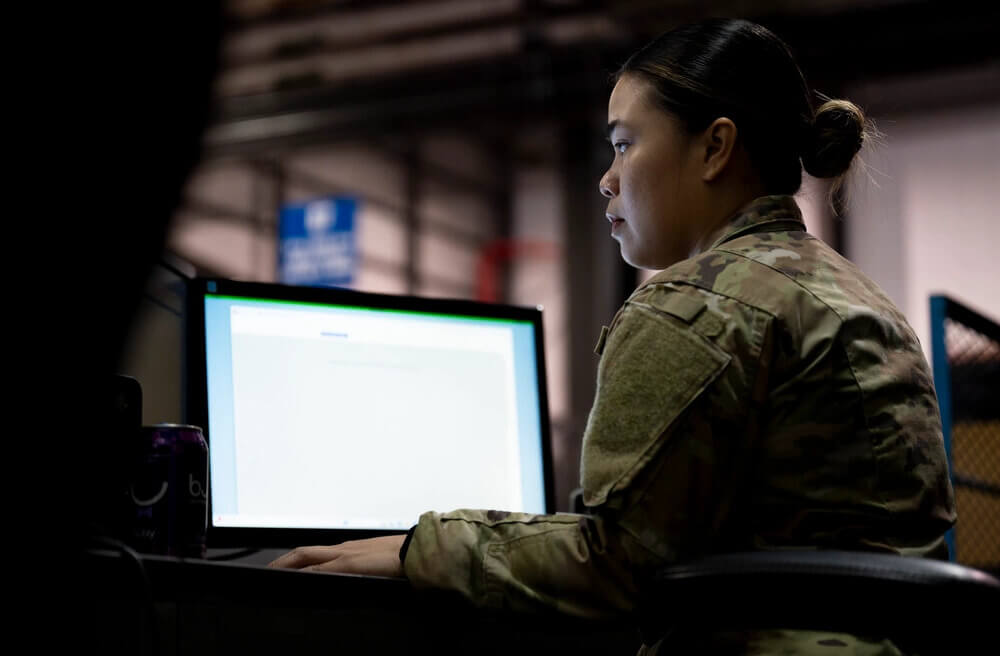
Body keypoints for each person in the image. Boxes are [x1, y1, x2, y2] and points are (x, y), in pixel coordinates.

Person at [269, 18, 956, 654]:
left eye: (625, 144)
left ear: (715, 147)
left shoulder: (697, 301)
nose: (606, 178)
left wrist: (421, 548)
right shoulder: (853, 292)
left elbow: (617, 565)